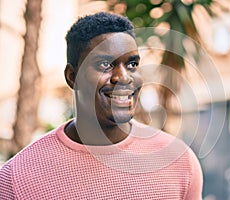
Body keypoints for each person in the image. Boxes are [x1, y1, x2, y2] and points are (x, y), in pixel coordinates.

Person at [0, 12, 203, 199]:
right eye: (105, 64)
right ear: (72, 77)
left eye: (132, 64)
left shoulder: (180, 162)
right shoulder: (16, 179)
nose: (123, 77)